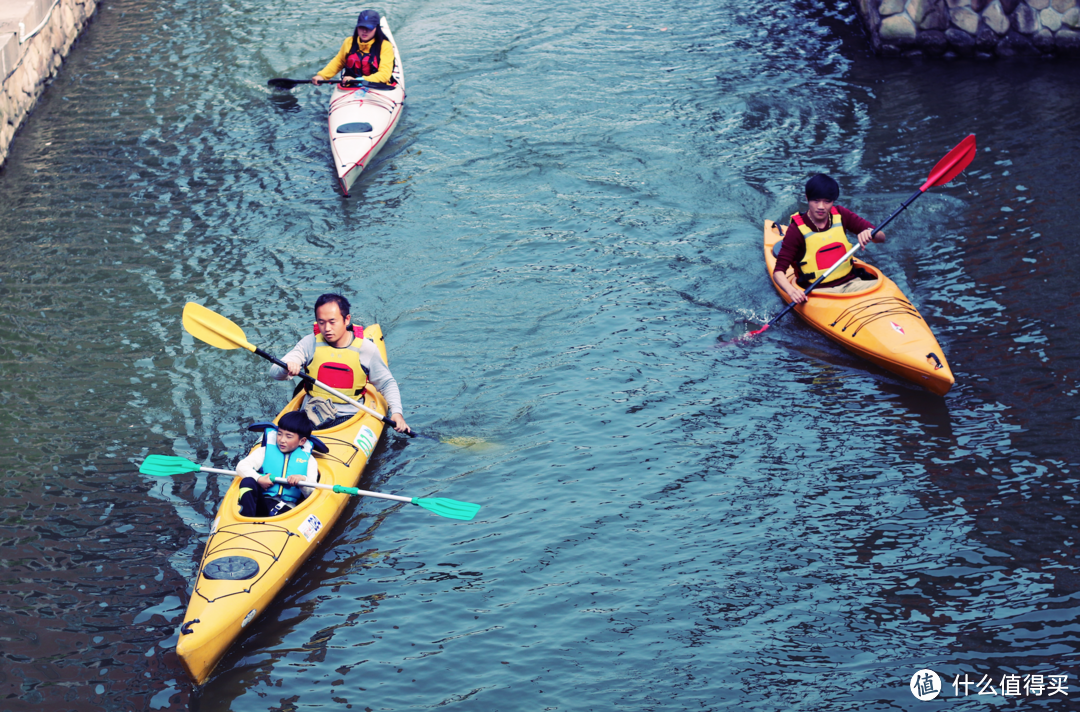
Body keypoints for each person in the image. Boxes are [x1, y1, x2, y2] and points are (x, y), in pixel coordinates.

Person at [270, 293, 411, 433]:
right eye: (321, 322)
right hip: (311, 412)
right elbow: (275, 372)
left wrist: (397, 413)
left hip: (349, 415)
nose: (327, 328)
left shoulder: (366, 349)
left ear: (346, 319)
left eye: (332, 322)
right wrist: (287, 366)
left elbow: (386, 383)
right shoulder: (310, 343)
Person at [772, 174, 886, 304]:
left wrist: (870, 232)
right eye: (816, 201)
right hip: (819, 293)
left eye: (827, 201)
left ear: (833, 201)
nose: (821, 206)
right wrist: (792, 291)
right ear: (807, 198)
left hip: (852, 285)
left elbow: (881, 238)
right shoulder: (795, 230)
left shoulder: (842, 214)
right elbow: (778, 272)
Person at [236, 411, 320, 518]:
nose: (282, 440)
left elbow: (311, 493)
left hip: (287, 510)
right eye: (279, 434)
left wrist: (302, 480)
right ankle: (246, 519)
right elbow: (241, 467)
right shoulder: (264, 451)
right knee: (247, 481)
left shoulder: (310, 460)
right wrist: (258, 479)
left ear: (302, 441)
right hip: (262, 504)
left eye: (289, 436)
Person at [311, 10, 396, 87]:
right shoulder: (349, 42)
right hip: (350, 86)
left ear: (376, 28)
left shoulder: (385, 46)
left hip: (377, 86)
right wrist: (322, 76)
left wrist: (358, 80)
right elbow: (338, 62)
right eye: (361, 27)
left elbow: (385, 75)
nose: (364, 31)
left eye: (369, 28)